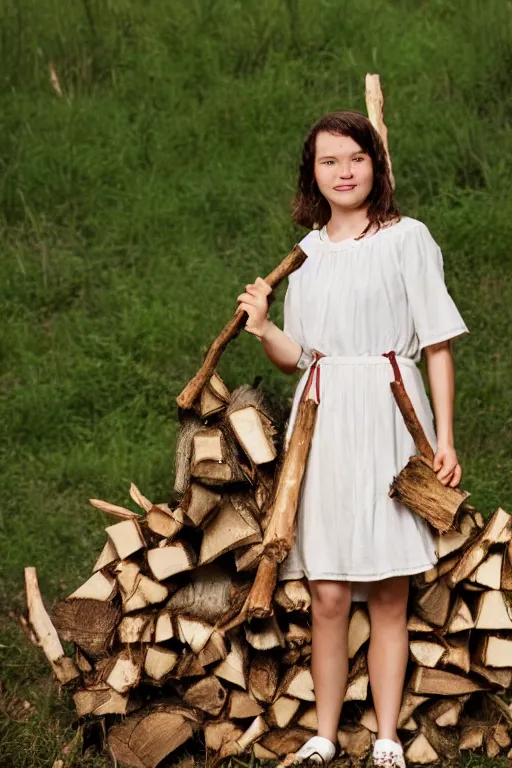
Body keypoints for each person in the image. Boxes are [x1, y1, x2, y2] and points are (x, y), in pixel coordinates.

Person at [236, 110, 469, 768]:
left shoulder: (407, 239)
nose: (343, 171)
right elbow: (298, 356)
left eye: (355, 158)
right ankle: (324, 734)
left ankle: (388, 738)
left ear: (376, 165)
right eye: (328, 161)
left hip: (391, 414)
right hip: (323, 424)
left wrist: (443, 440)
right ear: (313, 173)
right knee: (329, 593)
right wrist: (260, 326)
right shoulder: (306, 256)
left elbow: (440, 347)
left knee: (390, 590)